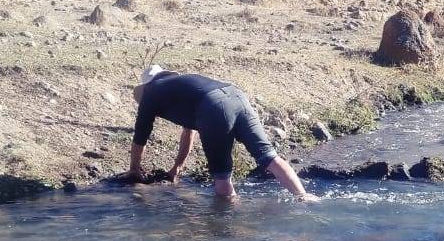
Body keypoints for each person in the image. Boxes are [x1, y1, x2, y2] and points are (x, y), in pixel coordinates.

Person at [127, 65, 314, 202]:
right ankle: (303, 196)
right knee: (269, 157)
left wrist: (134, 169)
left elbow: (140, 137)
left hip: (213, 106)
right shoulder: (181, 85)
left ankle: (231, 224)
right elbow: (188, 132)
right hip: (237, 95)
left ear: (146, 87)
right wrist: (178, 167)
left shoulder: (151, 94)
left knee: (222, 176)